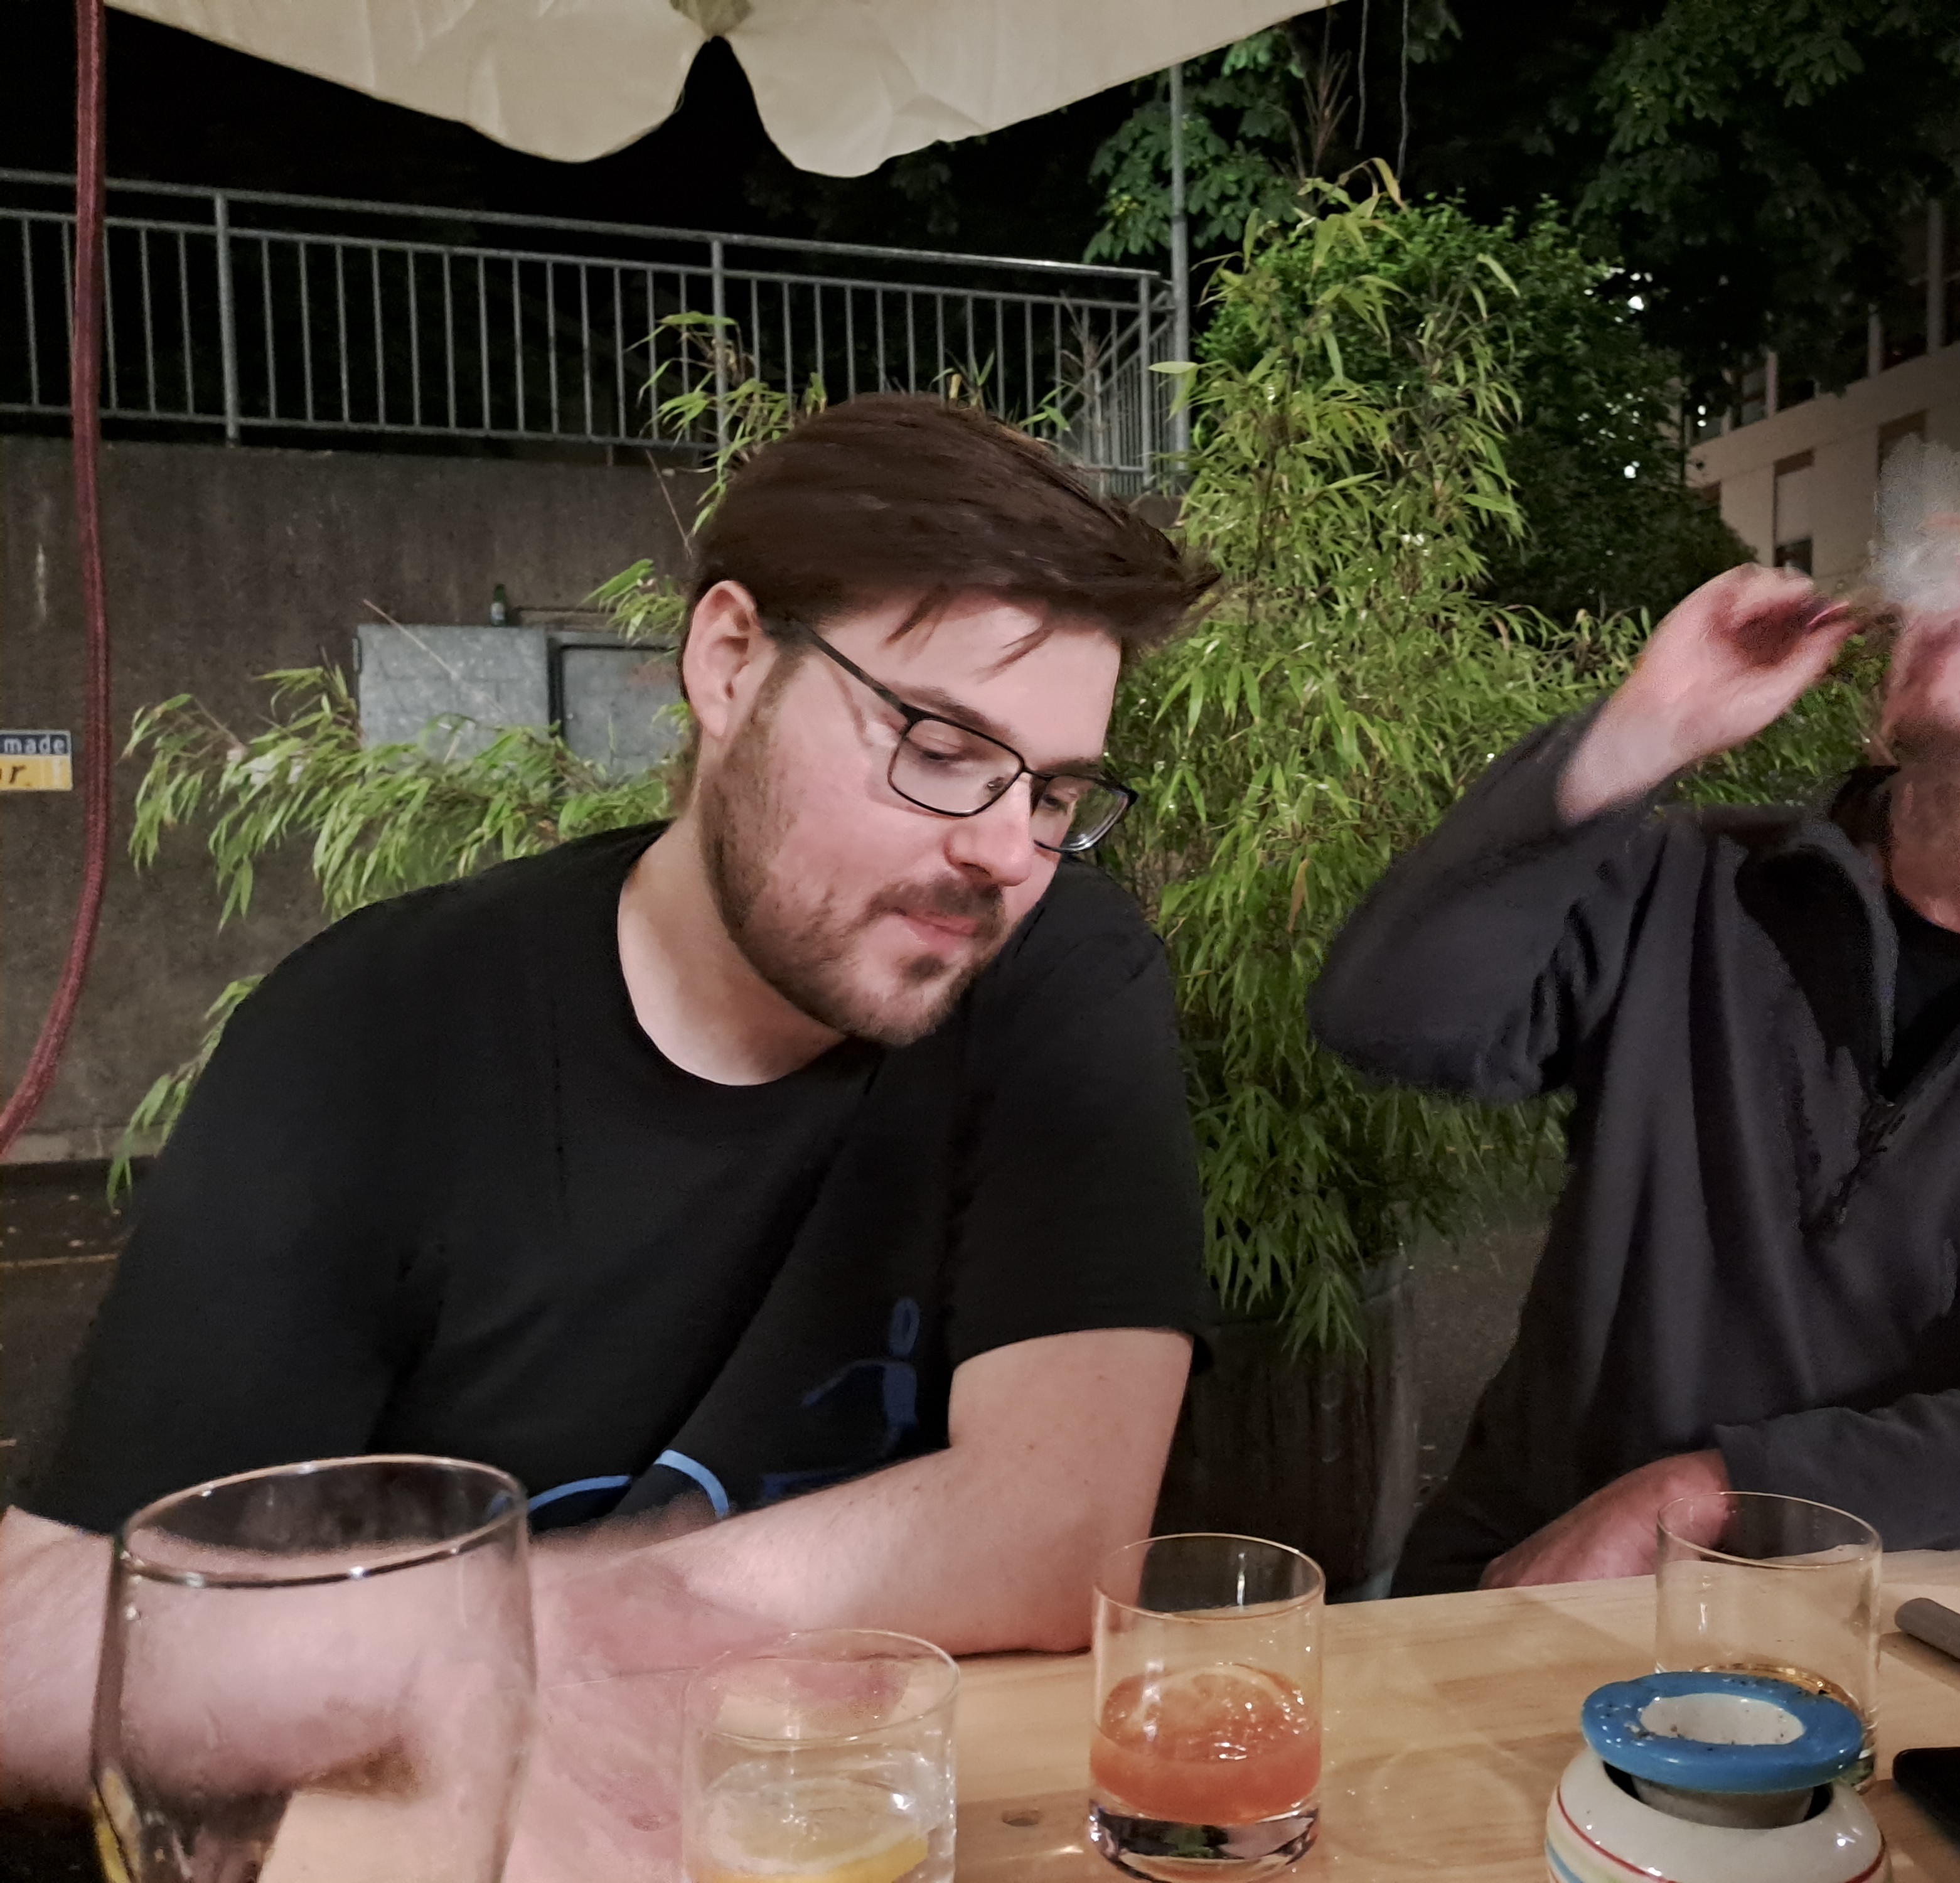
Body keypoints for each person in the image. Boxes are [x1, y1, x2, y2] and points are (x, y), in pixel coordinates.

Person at [0, 396, 1218, 1830]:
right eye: (942, 748)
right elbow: (83, 1630)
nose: (1006, 852)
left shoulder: (1057, 968)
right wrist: (495, 1656)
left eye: (1055, 792)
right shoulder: (376, 1032)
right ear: (729, 661)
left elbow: (1060, 1527)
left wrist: (525, 1633)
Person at [1310, 486, 1960, 1595]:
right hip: (1534, 1594)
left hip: (1925, 1647)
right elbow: (1392, 1018)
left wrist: (1720, 1494)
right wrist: (1648, 726)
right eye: (1956, 552)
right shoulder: (1690, 884)